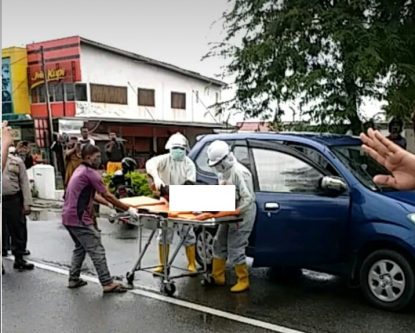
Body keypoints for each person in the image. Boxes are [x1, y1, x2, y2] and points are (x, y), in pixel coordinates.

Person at [62, 144, 139, 293]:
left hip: (68, 216)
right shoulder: (90, 173)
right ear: (88, 157)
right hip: (79, 218)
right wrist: (127, 209)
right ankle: (107, 282)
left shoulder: (80, 170)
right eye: (96, 157)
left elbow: (95, 195)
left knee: (80, 248)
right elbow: (107, 194)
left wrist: (109, 205)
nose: (99, 160)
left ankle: (73, 278)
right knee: (97, 248)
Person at [204, 140, 256, 293]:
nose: (217, 167)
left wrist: (232, 212)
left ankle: (243, 280)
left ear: (226, 159)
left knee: (235, 246)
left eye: (218, 164)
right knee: (219, 243)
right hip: (229, 211)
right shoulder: (223, 172)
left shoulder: (240, 172)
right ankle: (217, 276)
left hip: (243, 214)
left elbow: (248, 199)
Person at [145, 132, 197, 274]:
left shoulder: (189, 164)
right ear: (170, 148)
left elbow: (189, 183)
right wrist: (156, 178)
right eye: (175, 148)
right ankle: (163, 264)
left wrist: (172, 191)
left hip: (184, 202)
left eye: (181, 148)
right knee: (164, 234)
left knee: (188, 233)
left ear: (185, 149)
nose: (178, 151)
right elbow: (150, 164)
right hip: (165, 202)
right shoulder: (164, 160)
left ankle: (192, 264)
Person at [2, 145, 34, 271]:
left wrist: (27, 203)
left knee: (18, 229)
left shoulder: (16, 161)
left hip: (13, 200)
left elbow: (24, 183)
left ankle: (19, 258)